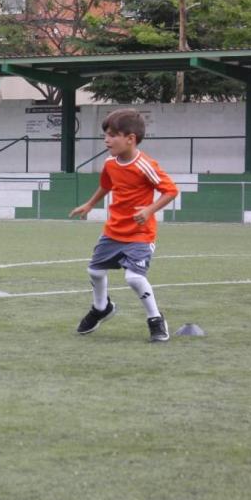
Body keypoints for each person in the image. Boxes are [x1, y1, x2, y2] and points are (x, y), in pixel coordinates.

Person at [70, 108, 179, 342]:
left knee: (134, 278)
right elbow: (106, 185)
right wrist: (89, 204)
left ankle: (156, 319)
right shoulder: (110, 164)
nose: (106, 140)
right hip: (113, 231)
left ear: (130, 139)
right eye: (105, 135)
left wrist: (149, 210)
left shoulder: (145, 165)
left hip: (140, 234)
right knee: (94, 270)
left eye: (112, 135)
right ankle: (101, 308)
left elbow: (170, 190)